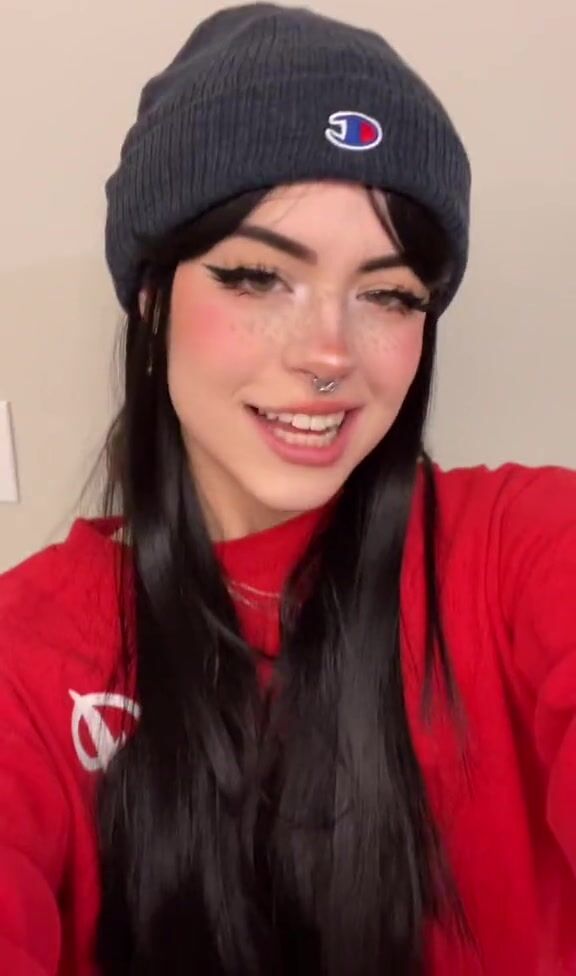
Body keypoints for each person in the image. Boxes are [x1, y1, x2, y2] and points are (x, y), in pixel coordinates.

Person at [0, 3, 575, 974]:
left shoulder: (522, 549)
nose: (328, 354)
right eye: (260, 277)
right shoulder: (26, 657)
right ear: (153, 298)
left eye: (389, 293)